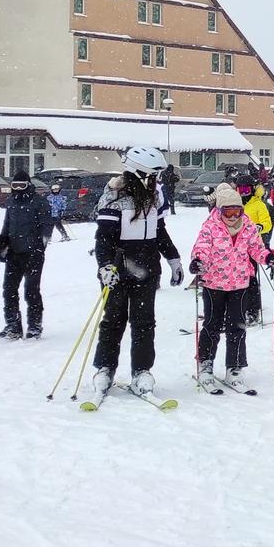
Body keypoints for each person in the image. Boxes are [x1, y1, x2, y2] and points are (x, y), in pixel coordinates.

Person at [91, 146, 185, 399]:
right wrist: (105, 266)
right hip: (118, 268)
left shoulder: (155, 197)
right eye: (150, 176)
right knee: (114, 320)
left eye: (156, 176)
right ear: (135, 173)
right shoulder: (113, 197)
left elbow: (160, 232)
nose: (154, 181)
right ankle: (105, 368)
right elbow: (103, 238)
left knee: (144, 322)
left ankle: (142, 370)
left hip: (147, 269)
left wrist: (173, 259)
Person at [190, 184, 274, 392]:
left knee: (237, 326)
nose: (233, 216)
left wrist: (268, 257)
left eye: (237, 211)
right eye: (228, 212)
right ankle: (205, 364)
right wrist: (198, 260)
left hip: (239, 283)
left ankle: (235, 367)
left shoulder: (247, 226)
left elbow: (256, 248)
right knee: (212, 325)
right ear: (220, 210)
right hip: (214, 284)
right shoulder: (210, 226)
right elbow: (201, 247)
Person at [0, 170, 53, 340]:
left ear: (28, 185)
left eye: (21, 185)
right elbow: (7, 224)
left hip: (33, 253)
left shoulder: (39, 202)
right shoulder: (11, 201)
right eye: (15, 185)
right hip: (13, 252)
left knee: (31, 290)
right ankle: (13, 325)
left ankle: (35, 326)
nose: (18, 189)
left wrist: (41, 245)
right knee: (9, 289)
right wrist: (2, 244)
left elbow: (47, 225)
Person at [236, 175, 273, 326]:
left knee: (250, 278)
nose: (243, 193)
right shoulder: (235, 204)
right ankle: (237, 307)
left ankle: (253, 310)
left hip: (253, 247)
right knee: (236, 278)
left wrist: (260, 227)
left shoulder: (259, 204)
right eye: (240, 190)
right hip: (236, 248)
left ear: (252, 189)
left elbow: (267, 223)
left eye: (246, 189)